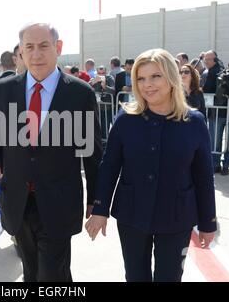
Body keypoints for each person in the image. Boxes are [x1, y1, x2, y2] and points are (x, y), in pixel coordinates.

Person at [0, 23, 102, 282]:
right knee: (31, 272)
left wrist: (96, 201)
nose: (36, 54)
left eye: (44, 46)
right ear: (20, 52)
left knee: (52, 274)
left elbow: (92, 152)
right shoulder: (2, 90)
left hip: (59, 203)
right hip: (18, 201)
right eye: (29, 47)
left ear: (58, 48)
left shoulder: (79, 93)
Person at [85, 48, 217, 282]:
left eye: (156, 76)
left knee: (169, 277)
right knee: (136, 277)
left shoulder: (194, 121)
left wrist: (208, 222)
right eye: (141, 78)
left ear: (171, 78)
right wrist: (100, 210)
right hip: (132, 214)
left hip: (177, 217)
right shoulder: (125, 119)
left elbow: (204, 176)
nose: (148, 84)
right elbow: (109, 167)